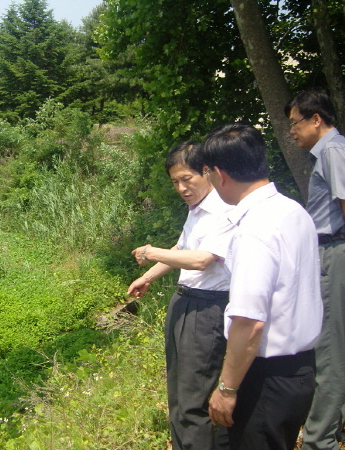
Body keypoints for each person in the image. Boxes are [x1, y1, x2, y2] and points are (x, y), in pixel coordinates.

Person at [203, 123, 323, 450]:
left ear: (220, 175)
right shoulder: (293, 211)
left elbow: (249, 320)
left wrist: (227, 389)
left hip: (266, 378)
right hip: (299, 370)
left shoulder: (255, 228)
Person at [128, 141, 233, 450]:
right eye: (175, 182)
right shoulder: (197, 210)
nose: (181, 188)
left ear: (207, 171)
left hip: (207, 308)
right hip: (185, 302)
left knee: (192, 401)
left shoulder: (223, 209)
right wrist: (147, 277)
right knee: (178, 392)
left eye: (187, 179)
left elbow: (202, 259)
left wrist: (150, 252)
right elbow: (181, 249)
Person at [284, 90, 345, 450]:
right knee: (338, 348)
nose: (292, 131)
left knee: (331, 352)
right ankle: (325, 435)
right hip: (336, 251)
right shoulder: (339, 150)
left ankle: (319, 442)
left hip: (336, 250)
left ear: (316, 119)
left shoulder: (333, 151)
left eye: (295, 123)